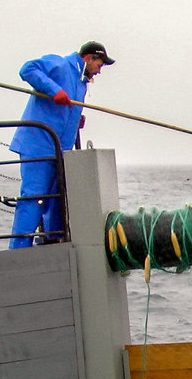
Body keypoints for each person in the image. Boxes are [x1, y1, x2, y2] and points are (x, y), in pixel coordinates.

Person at [8, 41, 115, 248]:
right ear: (88, 58)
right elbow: (28, 69)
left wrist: (77, 119)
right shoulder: (61, 65)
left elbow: (64, 112)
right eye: (99, 65)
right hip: (38, 145)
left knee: (57, 198)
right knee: (35, 196)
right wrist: (53, 89)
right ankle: (18, 249)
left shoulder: (81, 83)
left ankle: (53, 241)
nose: (99, 71)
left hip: (60, 150)